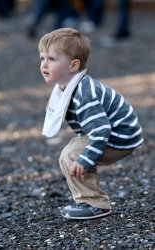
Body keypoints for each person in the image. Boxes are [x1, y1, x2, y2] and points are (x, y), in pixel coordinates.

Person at [38, 28, 143, 220]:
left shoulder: (85, 94)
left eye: (51, 59)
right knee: (70, 153)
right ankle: (86, 200)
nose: (44, 64)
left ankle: (95, 204)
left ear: (73, 66)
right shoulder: (69, 86)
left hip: (120, 137)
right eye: (42, 58)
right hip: (111, 131)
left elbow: (102, 129)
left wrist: (85, 158)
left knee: (72, 155)